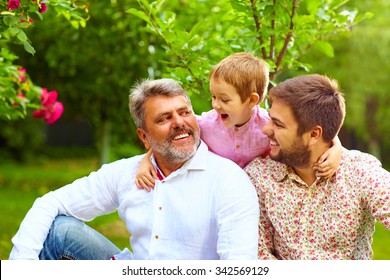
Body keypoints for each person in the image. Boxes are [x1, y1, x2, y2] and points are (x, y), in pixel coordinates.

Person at [9, 78, 259, 260]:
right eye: (164, 118)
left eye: (185, 112)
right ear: (144, 137)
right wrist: (21, 265)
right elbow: (49, 203)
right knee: (60, 231)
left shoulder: (228, 180)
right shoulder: (127, 172)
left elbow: (238, 265)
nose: (180, 123)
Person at [136, 52, 342, 190]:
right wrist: (147, 160)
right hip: (217, 192)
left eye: (224, 99)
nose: (216, 105)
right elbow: (176, 134)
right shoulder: (207, 124)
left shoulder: (268, 126)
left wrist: (336, 150)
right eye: (213, 97)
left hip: (261, 195)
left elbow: (311, 132)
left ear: (252, 100)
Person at [244, 74, 390, 259]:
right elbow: (258, 252)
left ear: (314, 134)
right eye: (270, 119)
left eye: (278, 125)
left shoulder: (358, 171)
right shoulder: (260, 175)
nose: (266, 130)